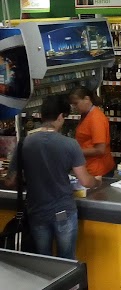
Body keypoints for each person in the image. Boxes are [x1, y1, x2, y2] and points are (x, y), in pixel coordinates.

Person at [4, 95, 101, 259]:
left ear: (42, 116)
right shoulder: (70, 144)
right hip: (63, 212)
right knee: (66, 261)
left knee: (43, 260)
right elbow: (85, 181)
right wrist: (96, 181)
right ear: (61, 116)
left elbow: (10, 181)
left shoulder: (25, 143)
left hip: (37, 213)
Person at [69, 86, 115, 177]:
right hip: (89, 167)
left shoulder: (96, 118)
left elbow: (100, 150)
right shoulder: (86, 115)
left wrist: (74, 152)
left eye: (76, 103)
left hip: (98, 170)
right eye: (72, 104)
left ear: (87, 99)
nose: (73, 107)